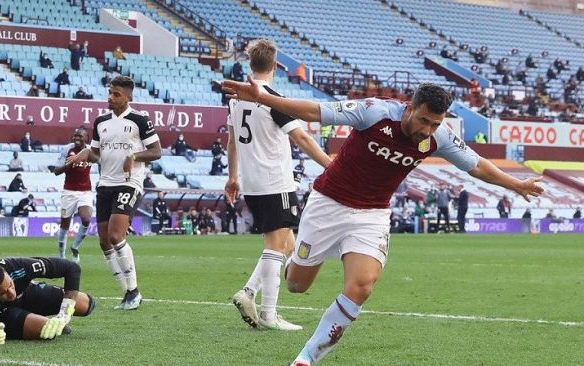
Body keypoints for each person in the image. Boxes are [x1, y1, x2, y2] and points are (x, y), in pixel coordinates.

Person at [220, 78, 544, 365]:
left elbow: (475, 165)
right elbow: (313, 111)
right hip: (328, 203)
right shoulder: (375, 112)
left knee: (362, 285)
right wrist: (262, 97)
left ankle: (306, 357)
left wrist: (516, 185)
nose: (427, 130)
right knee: (296, 285)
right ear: (410, 108)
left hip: (372, 214)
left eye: (434, 124)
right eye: (423, 120)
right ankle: (297, 260)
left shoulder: (439, 137)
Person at [225, 39, 331, 331]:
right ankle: (270, 315)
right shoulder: (273, 98)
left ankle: (248, 292)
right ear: (274, 66)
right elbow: (303, 138)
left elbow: (232, 141)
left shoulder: (236, 99)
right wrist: (332, 166)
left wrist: (233, 177)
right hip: (275, 181)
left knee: (288, 246)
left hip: (252, 181)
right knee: (276, 246)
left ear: (250, 65)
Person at [66, 76, 161, 310]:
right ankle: (128, 292)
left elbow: (156, 151)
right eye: (110, 92)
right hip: (105, 184)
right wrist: (85, 154)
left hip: (128, 183)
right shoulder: (100, 122)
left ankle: (134, 291)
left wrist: (134, 157)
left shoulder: (140, 119)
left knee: (116, 236)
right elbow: (97, 154)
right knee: (104, 242)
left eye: (116, 94)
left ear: (128, 97)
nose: (111, 97)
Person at [0, 257, 94, 344]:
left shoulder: (17, 266)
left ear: (6, 274)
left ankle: (44, 316)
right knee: (45, 330)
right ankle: (34, 319)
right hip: (3, 315)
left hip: (27, 294)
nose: (11, 293)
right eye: (3, 292)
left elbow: (72, 268)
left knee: (86, 304)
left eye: (10, 284)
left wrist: (65, 313)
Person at [52, 128, 93, 263]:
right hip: (69, 192)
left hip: (85, 191)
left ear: (86, 138)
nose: (77, 138)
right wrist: (69, 164)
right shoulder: (67, 150)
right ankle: (62, 256)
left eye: (80, 136)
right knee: (65, 225)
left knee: (86, 219)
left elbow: (101, 162)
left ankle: (75, 247)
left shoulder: (91, 150)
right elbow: (56, 171)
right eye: (75, 135)